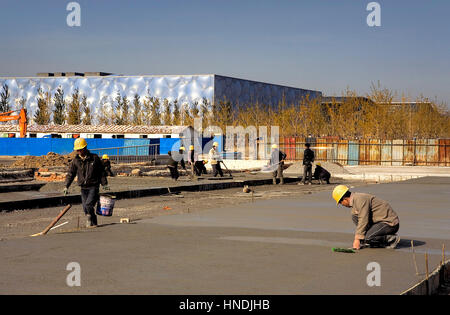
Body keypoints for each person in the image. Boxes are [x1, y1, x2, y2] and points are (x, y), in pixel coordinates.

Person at [332, 185, 400, 250]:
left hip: (390, 223)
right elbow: (360, 220)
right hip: (378, 223)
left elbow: (363, 218)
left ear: (344, 199)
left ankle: (391, 239)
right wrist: (361, 238)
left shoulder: (360, 199)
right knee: (354, 216)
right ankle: (371, 238)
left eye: (340, 203)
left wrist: (357, 239)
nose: (342, 205)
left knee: (368, 238)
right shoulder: (355, 203)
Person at [64, 138, 109, 228]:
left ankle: (89, 219)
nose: (79, 151)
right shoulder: (76, 161)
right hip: (83, 187)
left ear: (85, 148)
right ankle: (94, 222)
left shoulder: (94, 158)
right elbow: (71, 174)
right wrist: (66, 186)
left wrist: (104, 184)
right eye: (77, 150)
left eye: (80, 149)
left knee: (89, 205)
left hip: (93, 186)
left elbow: (101, 172)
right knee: (85, 207)